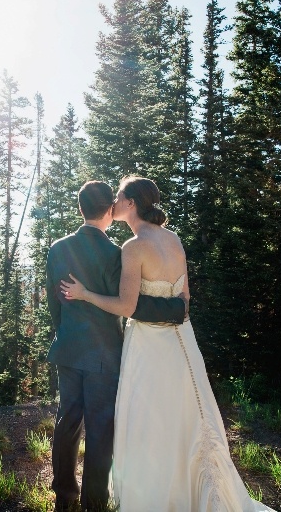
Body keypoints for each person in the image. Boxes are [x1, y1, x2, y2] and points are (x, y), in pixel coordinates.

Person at [61, 176, 276, 512]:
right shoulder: (173, 239)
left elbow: (126, 306)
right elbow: (185, 299)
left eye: (118, 197)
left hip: (148, 344)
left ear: (131, 203)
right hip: (181, 342)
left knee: (150, 419)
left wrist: (85, 294)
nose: (113, 203)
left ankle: (156, 495)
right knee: (185, 417)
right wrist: (172, 312)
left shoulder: (133, 248)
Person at [46, 180, 188, 512]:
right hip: (104, 355)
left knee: (67, 423)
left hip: (67, 350)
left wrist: (66, 333)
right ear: (110, 210)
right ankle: (94, 504)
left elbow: (55, 304)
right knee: (100, 430)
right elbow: (129, 305)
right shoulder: (115, 253)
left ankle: (64, 499)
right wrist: (176, 309)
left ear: (81, 209)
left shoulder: (57, 249)